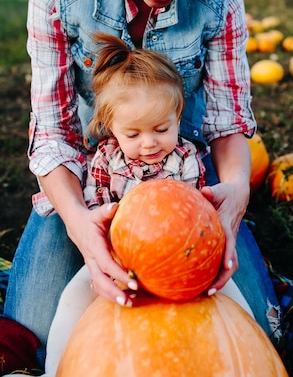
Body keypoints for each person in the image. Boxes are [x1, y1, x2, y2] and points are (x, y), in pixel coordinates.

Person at [4, 0, 280, 368]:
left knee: (263, 335)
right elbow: (53, 135)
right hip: (91, 186)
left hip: (185, 185)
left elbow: (227, 122)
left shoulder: (222, 1)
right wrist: (80, 225)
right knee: (35, 346)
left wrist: (235, 193)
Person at [7, 33, 251, 377]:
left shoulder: (186, 158)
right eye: (133, 135)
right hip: (122, 255)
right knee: (74, 299)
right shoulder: (105, 160)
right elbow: (99, 209)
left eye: (161, 128)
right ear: (111, 129)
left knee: (233, 294)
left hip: (180, 257)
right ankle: (55, 368)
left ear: (178, 117)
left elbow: (193, 212)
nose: (149, 143)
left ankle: (260, 351)